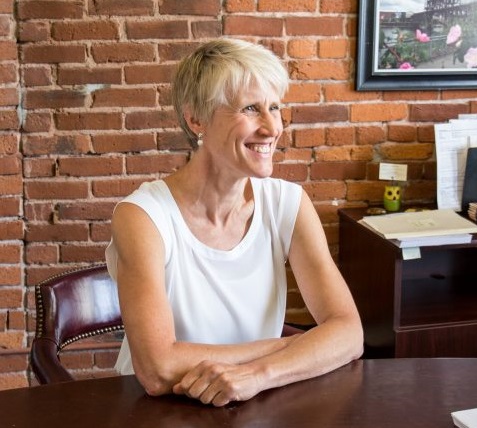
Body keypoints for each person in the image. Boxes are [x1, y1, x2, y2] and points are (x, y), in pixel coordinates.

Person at [105, 38, 363, 407]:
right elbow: (157, 369)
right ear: (196, 119)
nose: (272, 127)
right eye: (250, 108)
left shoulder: (288, 203)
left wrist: (258, 374)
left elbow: (349, 334)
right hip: (155, 412)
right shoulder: (143, 216)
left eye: (275, 107)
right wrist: (294, 346)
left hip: (253, 402)